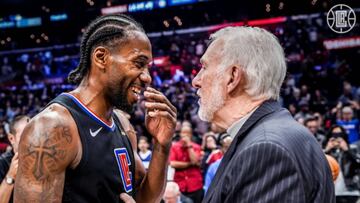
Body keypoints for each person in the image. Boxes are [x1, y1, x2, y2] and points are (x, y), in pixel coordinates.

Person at [14, 14, 177, 203]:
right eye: (139, 64)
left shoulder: (122, 123)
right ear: (101, 57)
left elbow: (144, 198)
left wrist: (162, 145)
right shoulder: (51, 128)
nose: (147, 77)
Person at [192, 26, 335, 202]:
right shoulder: (274, 133)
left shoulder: (266, 148)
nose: (195, 81)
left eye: (204, 67)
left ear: (232, 77)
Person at [169, 124, 203, 202]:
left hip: (195, 185)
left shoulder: (196, 147)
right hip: (180, 185)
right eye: (183, 133)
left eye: (188, 133)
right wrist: (190, 164)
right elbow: (173, 164)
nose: (185, 135)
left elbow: (194, 160)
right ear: (180, 134)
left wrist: (189, 146)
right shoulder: (174, 147)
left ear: (191, 135)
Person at [0, 115, 29, 203]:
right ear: (12, 138)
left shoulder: (43, 160)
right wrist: (11, 175)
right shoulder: (2, 163)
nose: (32, 140)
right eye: (25, 135)